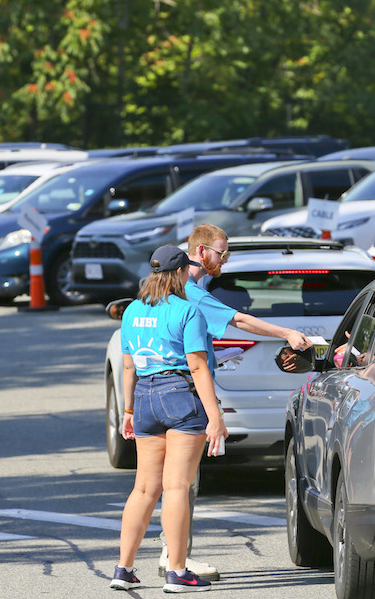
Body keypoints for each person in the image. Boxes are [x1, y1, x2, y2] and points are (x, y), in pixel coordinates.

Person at [154, 224, 313, 580]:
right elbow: (238, 319)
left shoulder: (180, 288)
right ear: (201, 253)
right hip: (185, 394)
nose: (225, 260)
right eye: (222, 253)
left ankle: (168, 553)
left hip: (160, 392)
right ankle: (174, 556)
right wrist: (286, 332)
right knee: (183, 482)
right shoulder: (191, 292)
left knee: (171, 481)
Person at [110, 245, 228, 593]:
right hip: (179, 395)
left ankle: (124, 568)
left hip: (144, 398)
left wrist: (128, 412)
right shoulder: (187, 310)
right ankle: (177, 572)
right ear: (180, 273)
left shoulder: (131, 311)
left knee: (144, 489)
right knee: (176, 487)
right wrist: (215, 417)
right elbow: (196, 366)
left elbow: (129, 366)